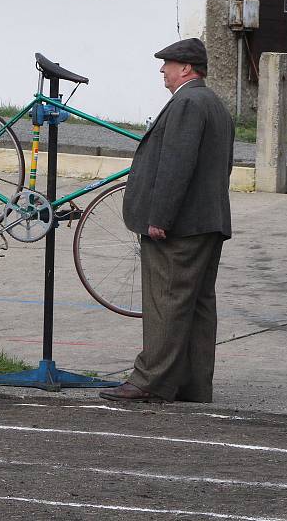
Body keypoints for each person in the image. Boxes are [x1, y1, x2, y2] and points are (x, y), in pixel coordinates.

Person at [100, 38, 234, 404]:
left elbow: (177, 165)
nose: (163, 70)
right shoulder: (214, 105)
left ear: (186, 69)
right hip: (206, 222)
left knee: (168, 301)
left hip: (182, 226)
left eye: (168, 64)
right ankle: (191, 384)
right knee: (197, 304)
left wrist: (160, 216)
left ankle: (150, 381)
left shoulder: (188, 103)